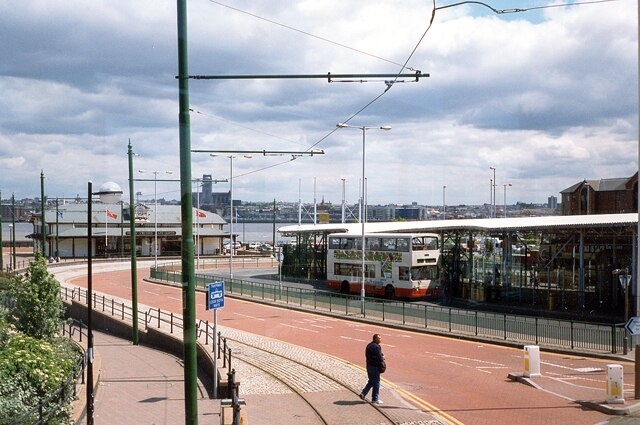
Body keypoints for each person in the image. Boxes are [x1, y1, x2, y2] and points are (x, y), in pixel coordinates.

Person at [360, 333, 385, 404]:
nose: (380, 339)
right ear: (375, 339)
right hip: (375, 367)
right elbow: (379, 357)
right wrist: (382, 357)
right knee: (377, 382)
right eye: (379, 338)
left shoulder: (369, 345)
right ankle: (375, 398)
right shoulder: (377, 347)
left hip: (369, 366)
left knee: (371, 381)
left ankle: (363, 393)